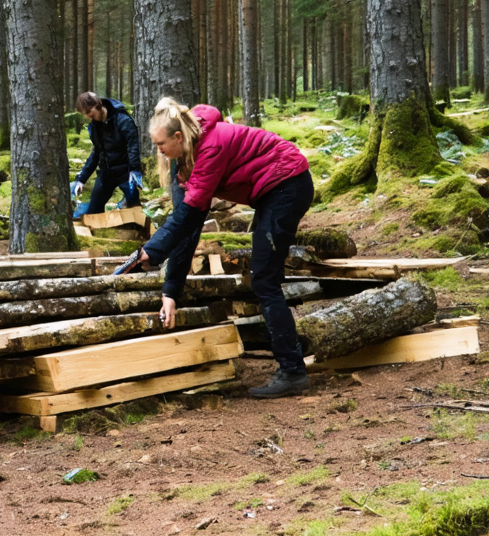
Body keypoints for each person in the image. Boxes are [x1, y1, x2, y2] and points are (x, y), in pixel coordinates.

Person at [135, 97, 313, 398]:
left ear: (178, 137)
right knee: (263, 275)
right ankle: (290, 361)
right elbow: (186, 229)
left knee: (265, 278)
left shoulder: (211, 147)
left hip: (288, 183)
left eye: (161, 143)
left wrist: (152, 250)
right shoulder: (186, 162)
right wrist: (170, 291)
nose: (159, 151)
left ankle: (293, 371)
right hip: (274, 191)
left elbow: (187, 216)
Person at [70, 92, 143, 216]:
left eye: (89, 111)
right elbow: (96, 153)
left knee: (134, 209)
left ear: (97, 105)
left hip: (125, 172)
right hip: (106, 172)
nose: (89, 116)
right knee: (93, 211)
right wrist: (81, 180)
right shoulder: (94, 127)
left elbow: (133, 148)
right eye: (86, 114)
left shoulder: (123, 120)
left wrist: (134, 170)